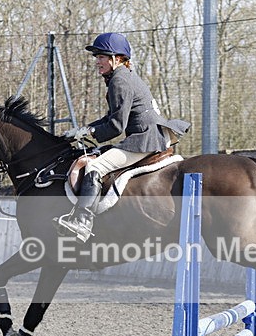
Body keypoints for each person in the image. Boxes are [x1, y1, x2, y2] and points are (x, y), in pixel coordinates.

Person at [56, 32, 190, 243]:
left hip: (143, 140)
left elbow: (116, 126)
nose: (97, 61)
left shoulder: (119, 81)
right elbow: (112, 117)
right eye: (97, 57)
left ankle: (82, 221)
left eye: (102, 56)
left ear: (116, 59)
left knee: (95, 168)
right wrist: (85, 128)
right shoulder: (123, 76)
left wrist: (90, 133)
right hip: (148, 136)